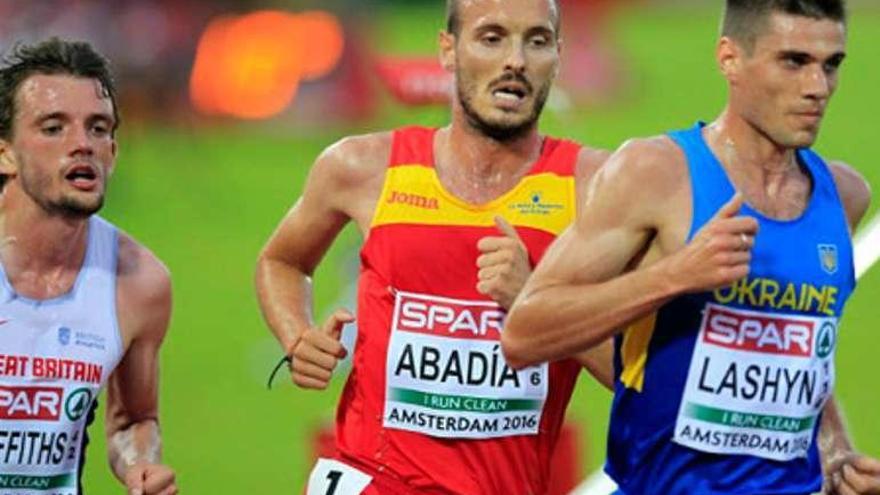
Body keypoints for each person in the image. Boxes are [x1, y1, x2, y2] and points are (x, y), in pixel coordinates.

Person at [504, 0, 880, 494]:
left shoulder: (844, 196)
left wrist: (835, 448)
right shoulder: (655, 173)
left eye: (831, 65)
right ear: (729, 58)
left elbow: (800, 346)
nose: (817, 88)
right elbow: (525, 333)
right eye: (793, 62)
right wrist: (674, 276)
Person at [255, 0, 613, 493]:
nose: (516, 60)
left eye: (536, 41)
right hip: (371, 480)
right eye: (491, 38)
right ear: (448, 50)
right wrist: (297, 336)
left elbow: (640, 375)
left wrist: (535, 303)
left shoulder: (596, 186)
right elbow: (282, 260)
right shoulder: (361, 167)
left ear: (558, 55)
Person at [0, 39, 177, 495]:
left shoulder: (139, 283)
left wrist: (141, 466)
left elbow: (132, 421)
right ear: (5, 154)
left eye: (98, 129)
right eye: (54, 128)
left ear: (113, 153)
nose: (82, 145)